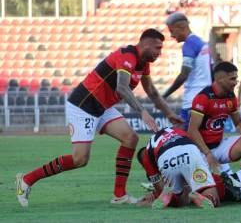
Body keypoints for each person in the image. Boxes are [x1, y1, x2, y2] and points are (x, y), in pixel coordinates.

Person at [16, 29, 183, 207]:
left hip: (102, 107)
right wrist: (142, 111)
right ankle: (27, 180)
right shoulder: (126, 55)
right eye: (157, 48)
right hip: (83, 104)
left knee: (130, 138)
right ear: (146, 44)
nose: (159, 53)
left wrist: (169, 113)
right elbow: (122, 87)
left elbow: (151, 92)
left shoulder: (143, 64)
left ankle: (119, 195)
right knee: (80, 159)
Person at [188, 61, 241, 172]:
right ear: (219, 78)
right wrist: (208, 154)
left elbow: (238, 122)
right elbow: (192, 130)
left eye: (236, 78)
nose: (236, 82)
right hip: (200, 151)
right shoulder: (204, 97)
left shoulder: (230, 96)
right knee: (208, 188)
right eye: (232, 79)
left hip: (219, 146)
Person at [135, 127, 219, 209]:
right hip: (189, 151)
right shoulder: (176, 130)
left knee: (175, 198)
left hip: (166, 159)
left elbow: (160, 189)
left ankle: (175, 198)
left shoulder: (147, 155)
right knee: (211, 193)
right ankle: (205, 197)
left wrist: (155, 195)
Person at [163, 12, 212, 131]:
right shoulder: (202, 43)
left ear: (181, 27)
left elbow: (183, 74)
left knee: (182, 139)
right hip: (207, 98)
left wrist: (165, 95)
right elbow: (213, 70)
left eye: (172, 31)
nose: (171, 35)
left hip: (193, 101)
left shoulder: (189, 45)